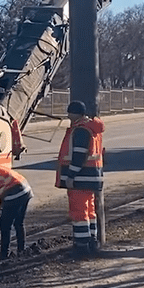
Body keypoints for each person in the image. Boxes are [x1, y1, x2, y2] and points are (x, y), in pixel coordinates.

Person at [56, 100, 104, 251]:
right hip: (91, 177)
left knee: (79, 212)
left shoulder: (81, 130)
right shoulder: (91, 128)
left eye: (69, 112)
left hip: (80, 178)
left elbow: (79, 155)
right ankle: (92, 241)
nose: (68, 115)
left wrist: (71, 176)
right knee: (89, 212)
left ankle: (82, 245)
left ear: (74, 114)